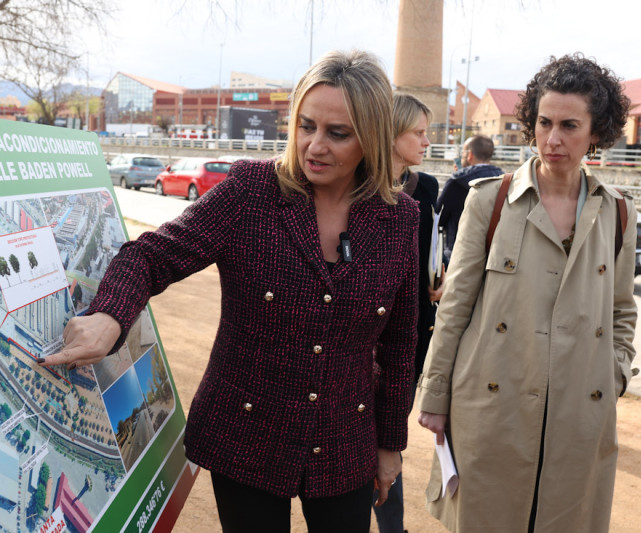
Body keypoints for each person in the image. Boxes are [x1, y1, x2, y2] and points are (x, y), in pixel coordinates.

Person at [41, 49, 420, 533]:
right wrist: (110, 316)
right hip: (245, 438)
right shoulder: (250, 193)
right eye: (306, 126)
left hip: (345, 443)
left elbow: (399, 345)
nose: (314, 146)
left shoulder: (400, 218)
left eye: (337, 133)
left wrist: (390, 446)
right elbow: (152, 255)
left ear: (370, 137)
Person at [417, 53, 637, 532]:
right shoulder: (490, 200)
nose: (552, 139)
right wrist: (434, 395)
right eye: (544, 122)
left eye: (569, 126)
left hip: (580, 410)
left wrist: (613, 372)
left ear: (596, 132)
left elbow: (622, 309)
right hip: (494, 405)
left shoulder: (617, 213)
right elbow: (454, 305)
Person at [372, 92, 441, 533]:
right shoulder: (360, 192)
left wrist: (438, 280)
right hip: (367, 335)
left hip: (412, 329)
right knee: (366, 434)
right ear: (390, 132)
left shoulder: (428, 188)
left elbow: (431, 253)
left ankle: (392, 525)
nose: (427, 142)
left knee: (390, 431)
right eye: (418, 132)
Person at [436, 135, 503, 265]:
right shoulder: (504, 179)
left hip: (459, 256)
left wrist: (459, 175)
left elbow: (438, 218)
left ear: (470, 155)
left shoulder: (456, 182)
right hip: (492, 258)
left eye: (463, 152)